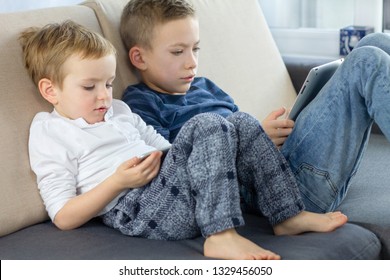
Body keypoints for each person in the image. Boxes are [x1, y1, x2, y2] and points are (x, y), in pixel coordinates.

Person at [21, 20, 347, 260]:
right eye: (89, 87)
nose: (104, 96)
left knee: (241, 122)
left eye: (107, 84)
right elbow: (62, 215)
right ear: (51, 90)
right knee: (206, 123)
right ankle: (220, 236)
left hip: (172, 185)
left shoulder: (119, 110)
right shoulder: (50, 132)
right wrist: (118, 182)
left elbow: (164, 146)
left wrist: (208, 152)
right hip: (136, 205)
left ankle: (287, 216)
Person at [120, 0, 390, 215]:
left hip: (280, 163)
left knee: (376, 42)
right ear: (139, 57)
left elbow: (241, 129)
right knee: (368, 60)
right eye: (178, 52)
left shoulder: (205, 86)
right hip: (282, 192)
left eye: (196, 48)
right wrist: (252, 139)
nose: (192, 62)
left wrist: (265, 135)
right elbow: (170, 173)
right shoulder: (140, 104)